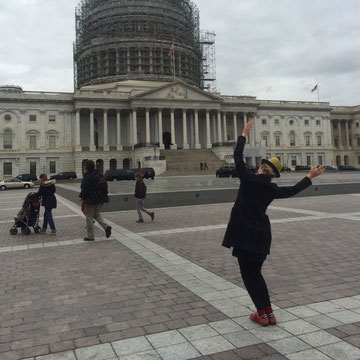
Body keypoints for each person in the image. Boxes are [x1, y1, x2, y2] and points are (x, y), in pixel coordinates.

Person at [223, 121, 325, 327]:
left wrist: (243, 134)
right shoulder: (272, 189)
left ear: (261, 168)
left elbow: (237, 158)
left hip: (244, 236)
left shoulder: (248, 180)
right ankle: (268, 312)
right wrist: (309, 176)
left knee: (248, 277)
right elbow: (292, 191)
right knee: (257, 275)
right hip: (261, 236)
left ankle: (262, 314)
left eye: (260, 166)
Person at [80, 160, 112, 241]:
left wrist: (82, 196)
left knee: (89, 217)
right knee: (97, 215)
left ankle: (90, 236)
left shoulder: (87, 176)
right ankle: (106, 227)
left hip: (91, 199)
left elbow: (84, 188)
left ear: (86, 167)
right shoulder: (99, 174)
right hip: (100, 198)